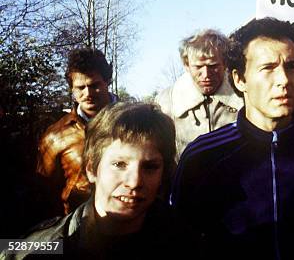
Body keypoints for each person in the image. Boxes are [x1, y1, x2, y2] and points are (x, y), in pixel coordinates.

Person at [170, 17, 294, 259]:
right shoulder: (201, 158)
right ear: (239, 79)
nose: (284, 80)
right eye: (268, 68)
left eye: (292, 66)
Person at [3, 103, 187, 259]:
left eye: (150, 167)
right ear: (91, 169)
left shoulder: (186, 243)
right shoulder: (37, 249)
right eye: (119, 164)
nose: (134, 181)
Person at [37, 48, 114, 215]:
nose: (88, 94)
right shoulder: (56, 136)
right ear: (72, 89)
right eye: (80, 87)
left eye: (95, 85)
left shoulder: (136, 122)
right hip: (78, 227)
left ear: (107, 81)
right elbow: (44, 193)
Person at [156, 29, 243, 158]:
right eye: (198, 67)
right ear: (186, 65)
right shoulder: (166, 103)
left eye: (213, 66)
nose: (206, 75)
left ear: (225, 63)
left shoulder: (246, 98)